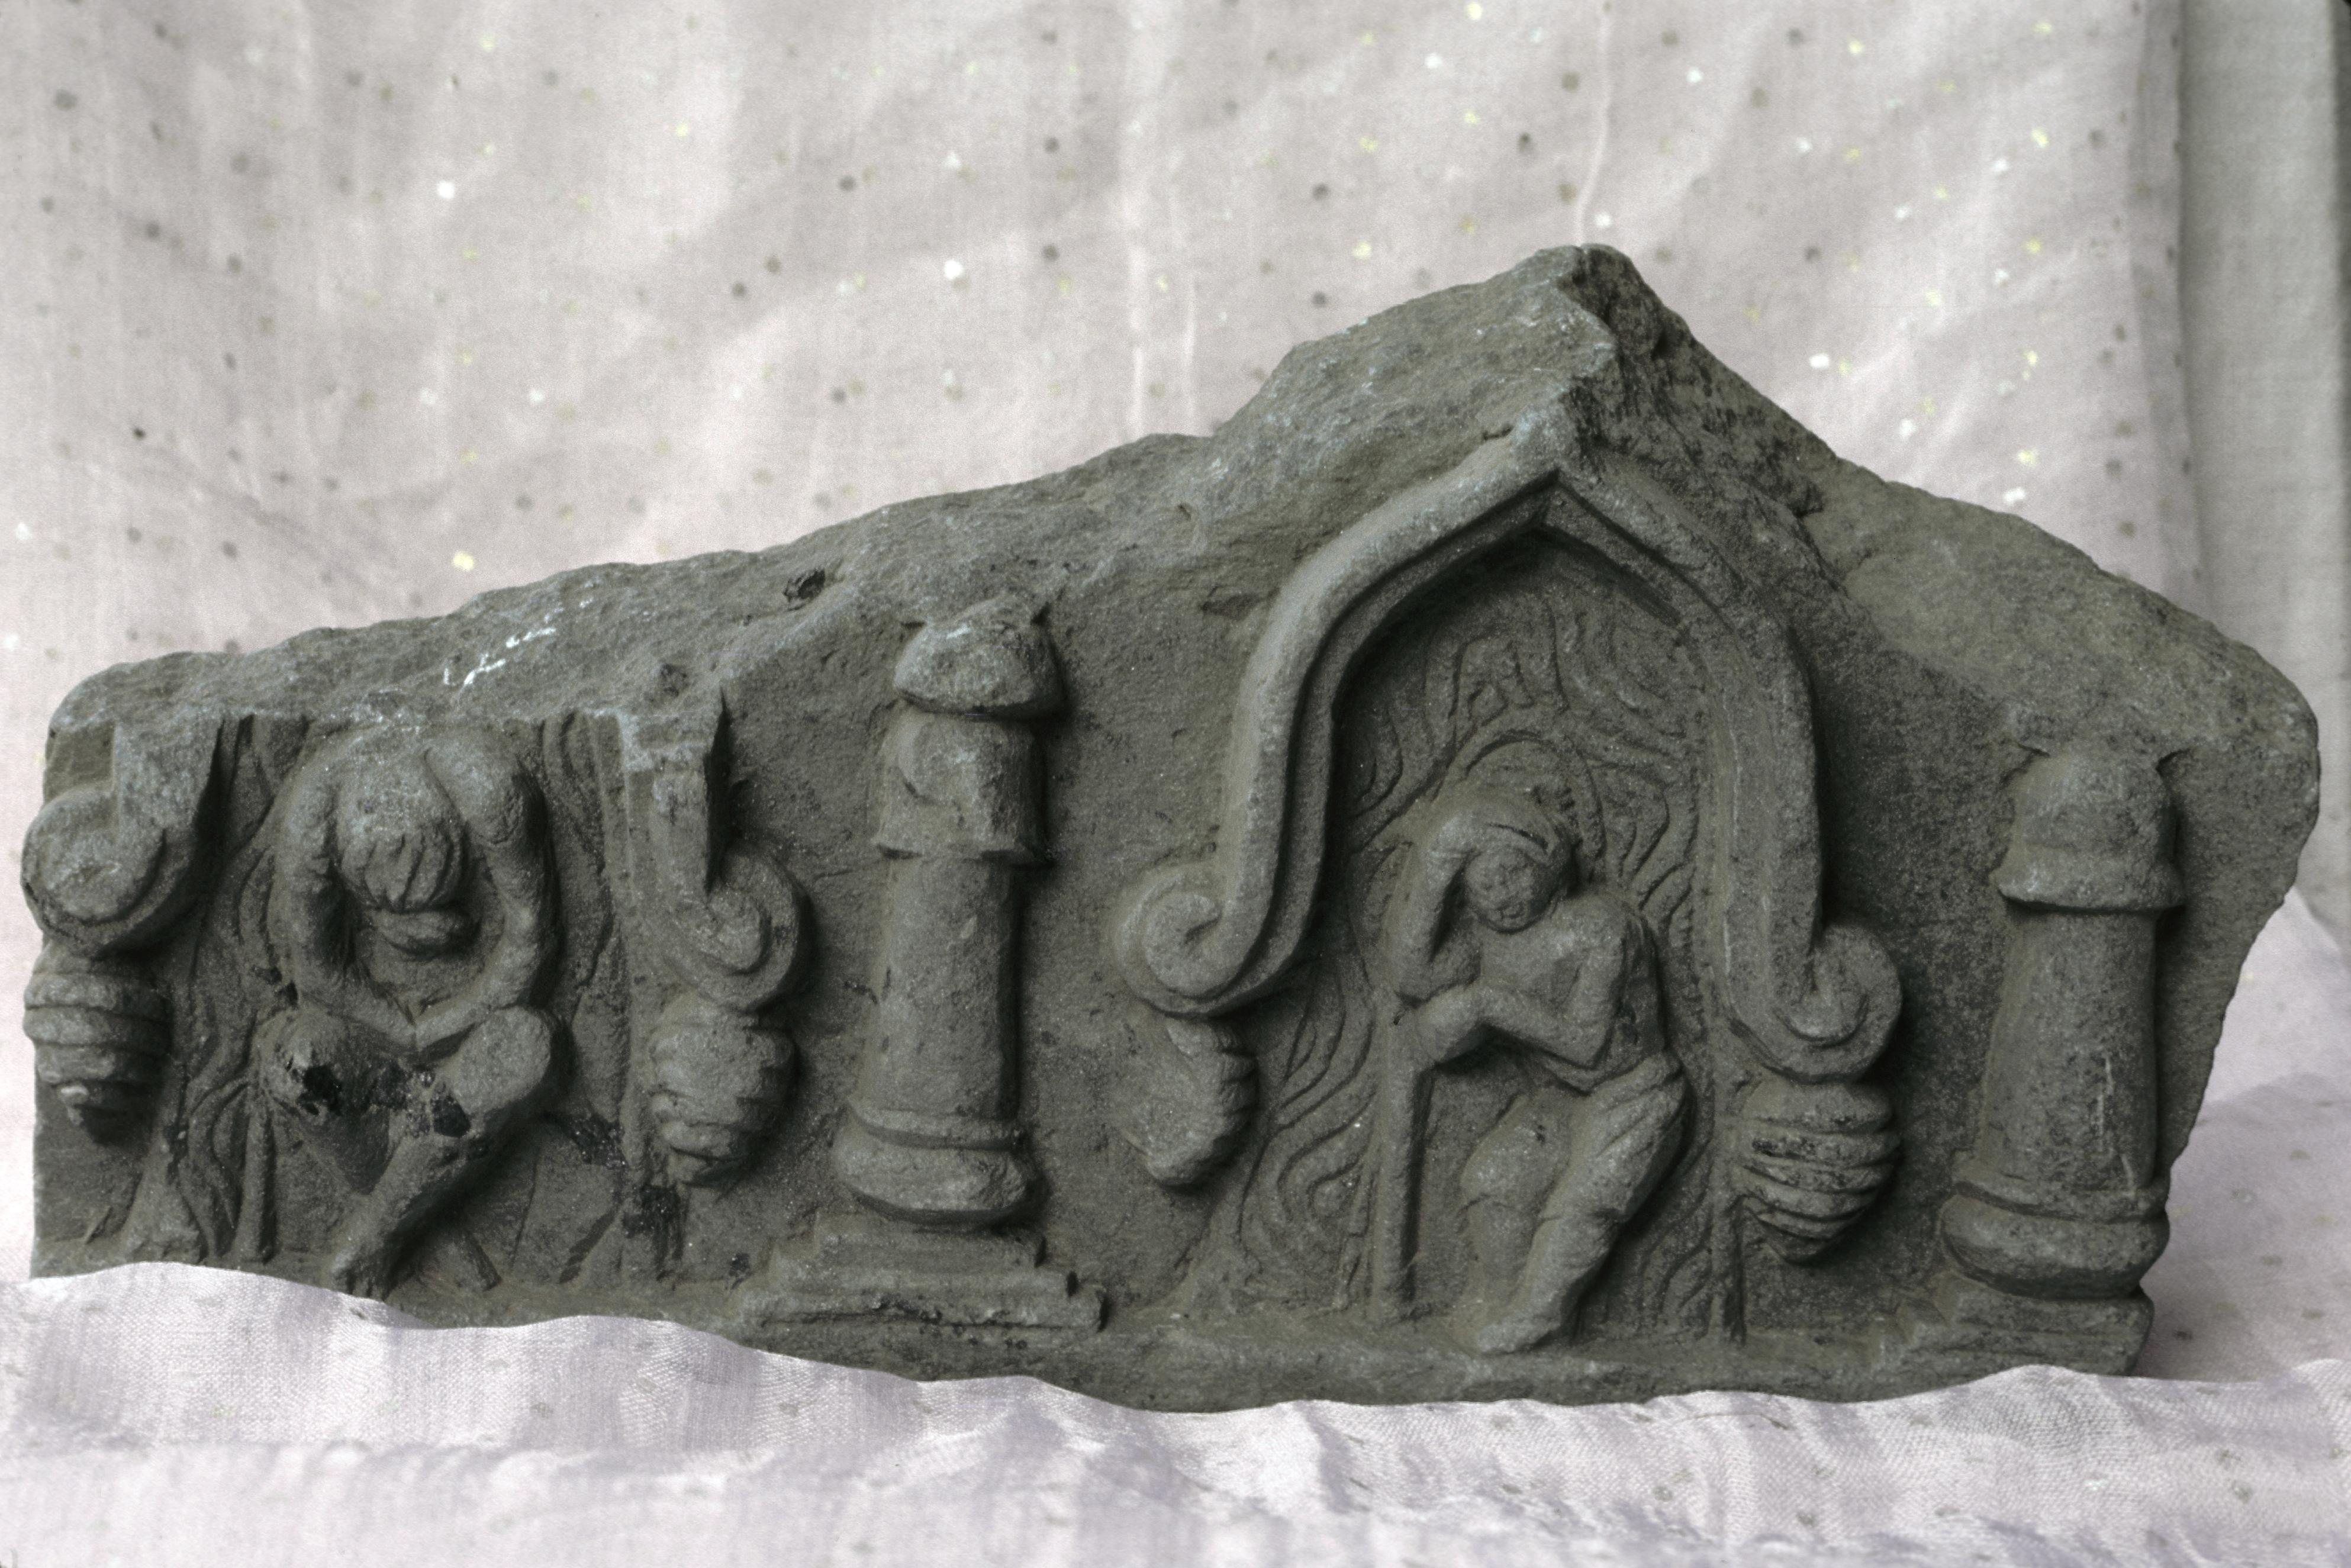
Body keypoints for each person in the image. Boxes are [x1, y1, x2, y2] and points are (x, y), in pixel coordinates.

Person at [1378, 786, 1687, 1354]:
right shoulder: (1483, 944)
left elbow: (1588, 1045)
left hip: (1636, 1096)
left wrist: (1487, 1004)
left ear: (1550, 866)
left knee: (1585, 1202)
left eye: (1513, 873)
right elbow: (1411, 977)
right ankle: (1501, 1297)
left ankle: (1541, 1315)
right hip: (1564, 1099)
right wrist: (1437, 861)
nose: (1502, 895)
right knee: (1494, 1180)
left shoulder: (1602, 927)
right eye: (1483, 883)